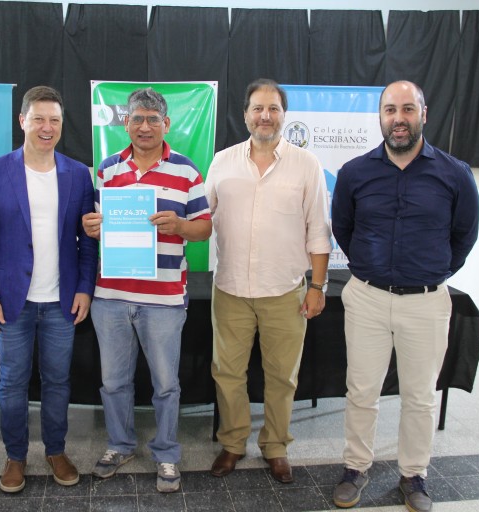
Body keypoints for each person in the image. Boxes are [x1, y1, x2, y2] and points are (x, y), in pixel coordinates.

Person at [330, 80, 479, 512]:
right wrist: (374, 268)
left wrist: (430, 272)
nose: (399, 118)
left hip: (427, 302)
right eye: (391, 110)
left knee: (420, 395)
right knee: (362, 391)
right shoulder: (355, 173)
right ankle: (355, 468)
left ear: (423, 115)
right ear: (380, 117)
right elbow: (344, 228)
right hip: (368, 298)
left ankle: (414, 474)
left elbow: (464, 237)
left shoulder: (455, 174)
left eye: (408, 109)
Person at [0, 86, 98, 492]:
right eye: (39, 119)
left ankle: (56, 450)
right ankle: (15, 456)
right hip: (12, 302)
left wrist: (85, 288)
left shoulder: (77, 174)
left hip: (61, 300)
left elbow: (87, 239)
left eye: (54, 120)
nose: (47, 127)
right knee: (12, 382)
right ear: (22, 120)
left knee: (58, 381)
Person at [82, 87, 212, 493]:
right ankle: (120, 445)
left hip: (164, 301)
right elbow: (97, 224)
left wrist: (181, 226)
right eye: (137, 118)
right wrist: (92, 227)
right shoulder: (107, 169)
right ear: (126, 123)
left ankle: (166, 452)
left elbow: (205, 227)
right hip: (111, 297)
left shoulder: (187, 171)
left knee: (166, 384)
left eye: (153, 119)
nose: (144, 126)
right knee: (113, 382)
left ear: (165, 124)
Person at [205, 78, 331, 484]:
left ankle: (275, 446)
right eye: (258, 108)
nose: (265, 116)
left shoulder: (306, 165)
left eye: (273, 108)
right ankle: (233, 443)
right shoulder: (222, 162)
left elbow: (318, 231)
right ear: (245, 114)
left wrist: (318, 286)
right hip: (230, 290)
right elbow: (201, 218)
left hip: (285, 291)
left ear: (283, 115)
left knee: (282, 377)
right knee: (228, 373)